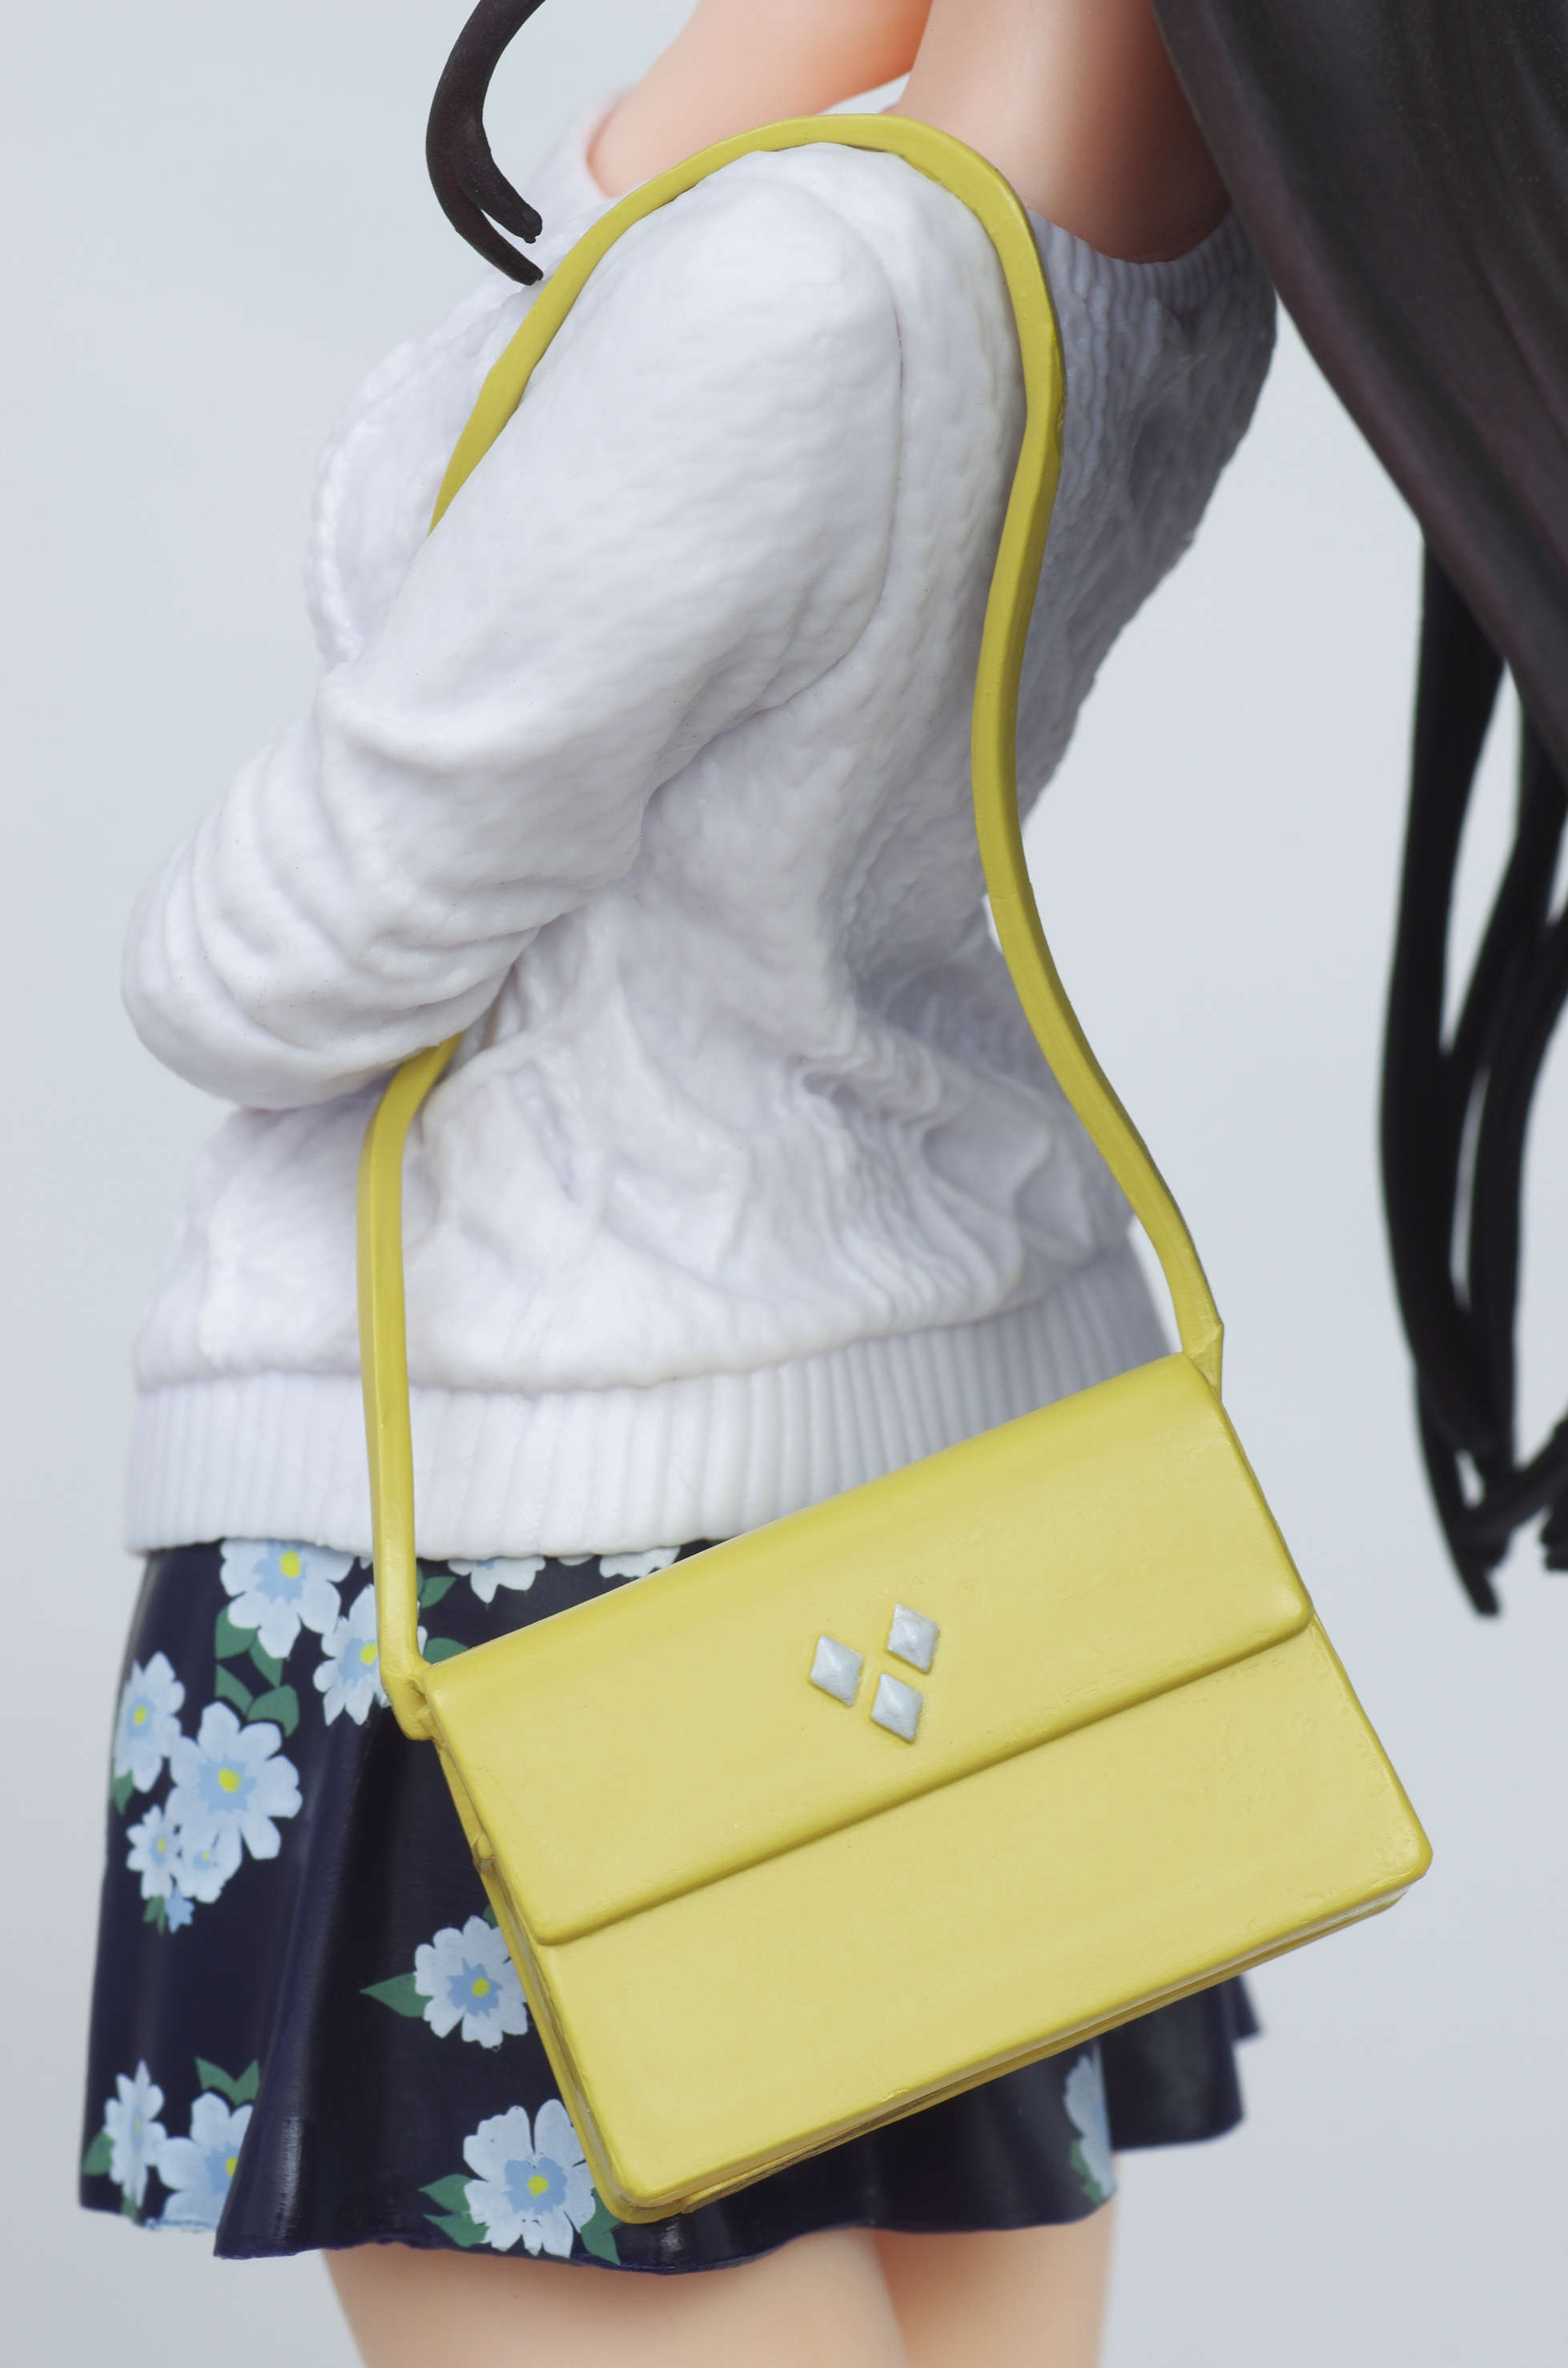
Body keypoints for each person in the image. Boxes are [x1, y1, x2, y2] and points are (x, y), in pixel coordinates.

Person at [81, 2, 1565, 2362]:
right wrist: (697, 119)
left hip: (550, 1540)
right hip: (956, 1496)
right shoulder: (1173, 254)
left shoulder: (791, 286)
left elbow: (279, 960)